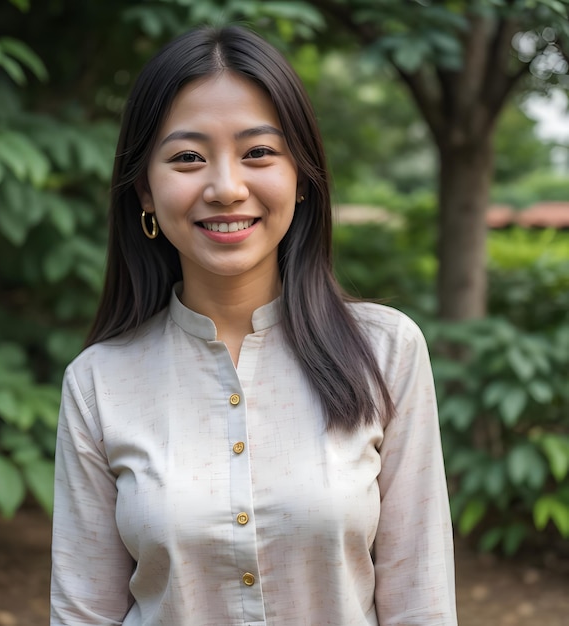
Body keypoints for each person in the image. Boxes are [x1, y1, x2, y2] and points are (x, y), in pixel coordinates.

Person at [50, 24, 457, 626]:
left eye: (259, 152)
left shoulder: (386, 351)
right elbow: (83, 613)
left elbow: (420, 600)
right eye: (188, 157)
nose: (226, 187)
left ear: (301, 175)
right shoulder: (99, 382)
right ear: (144, 190)